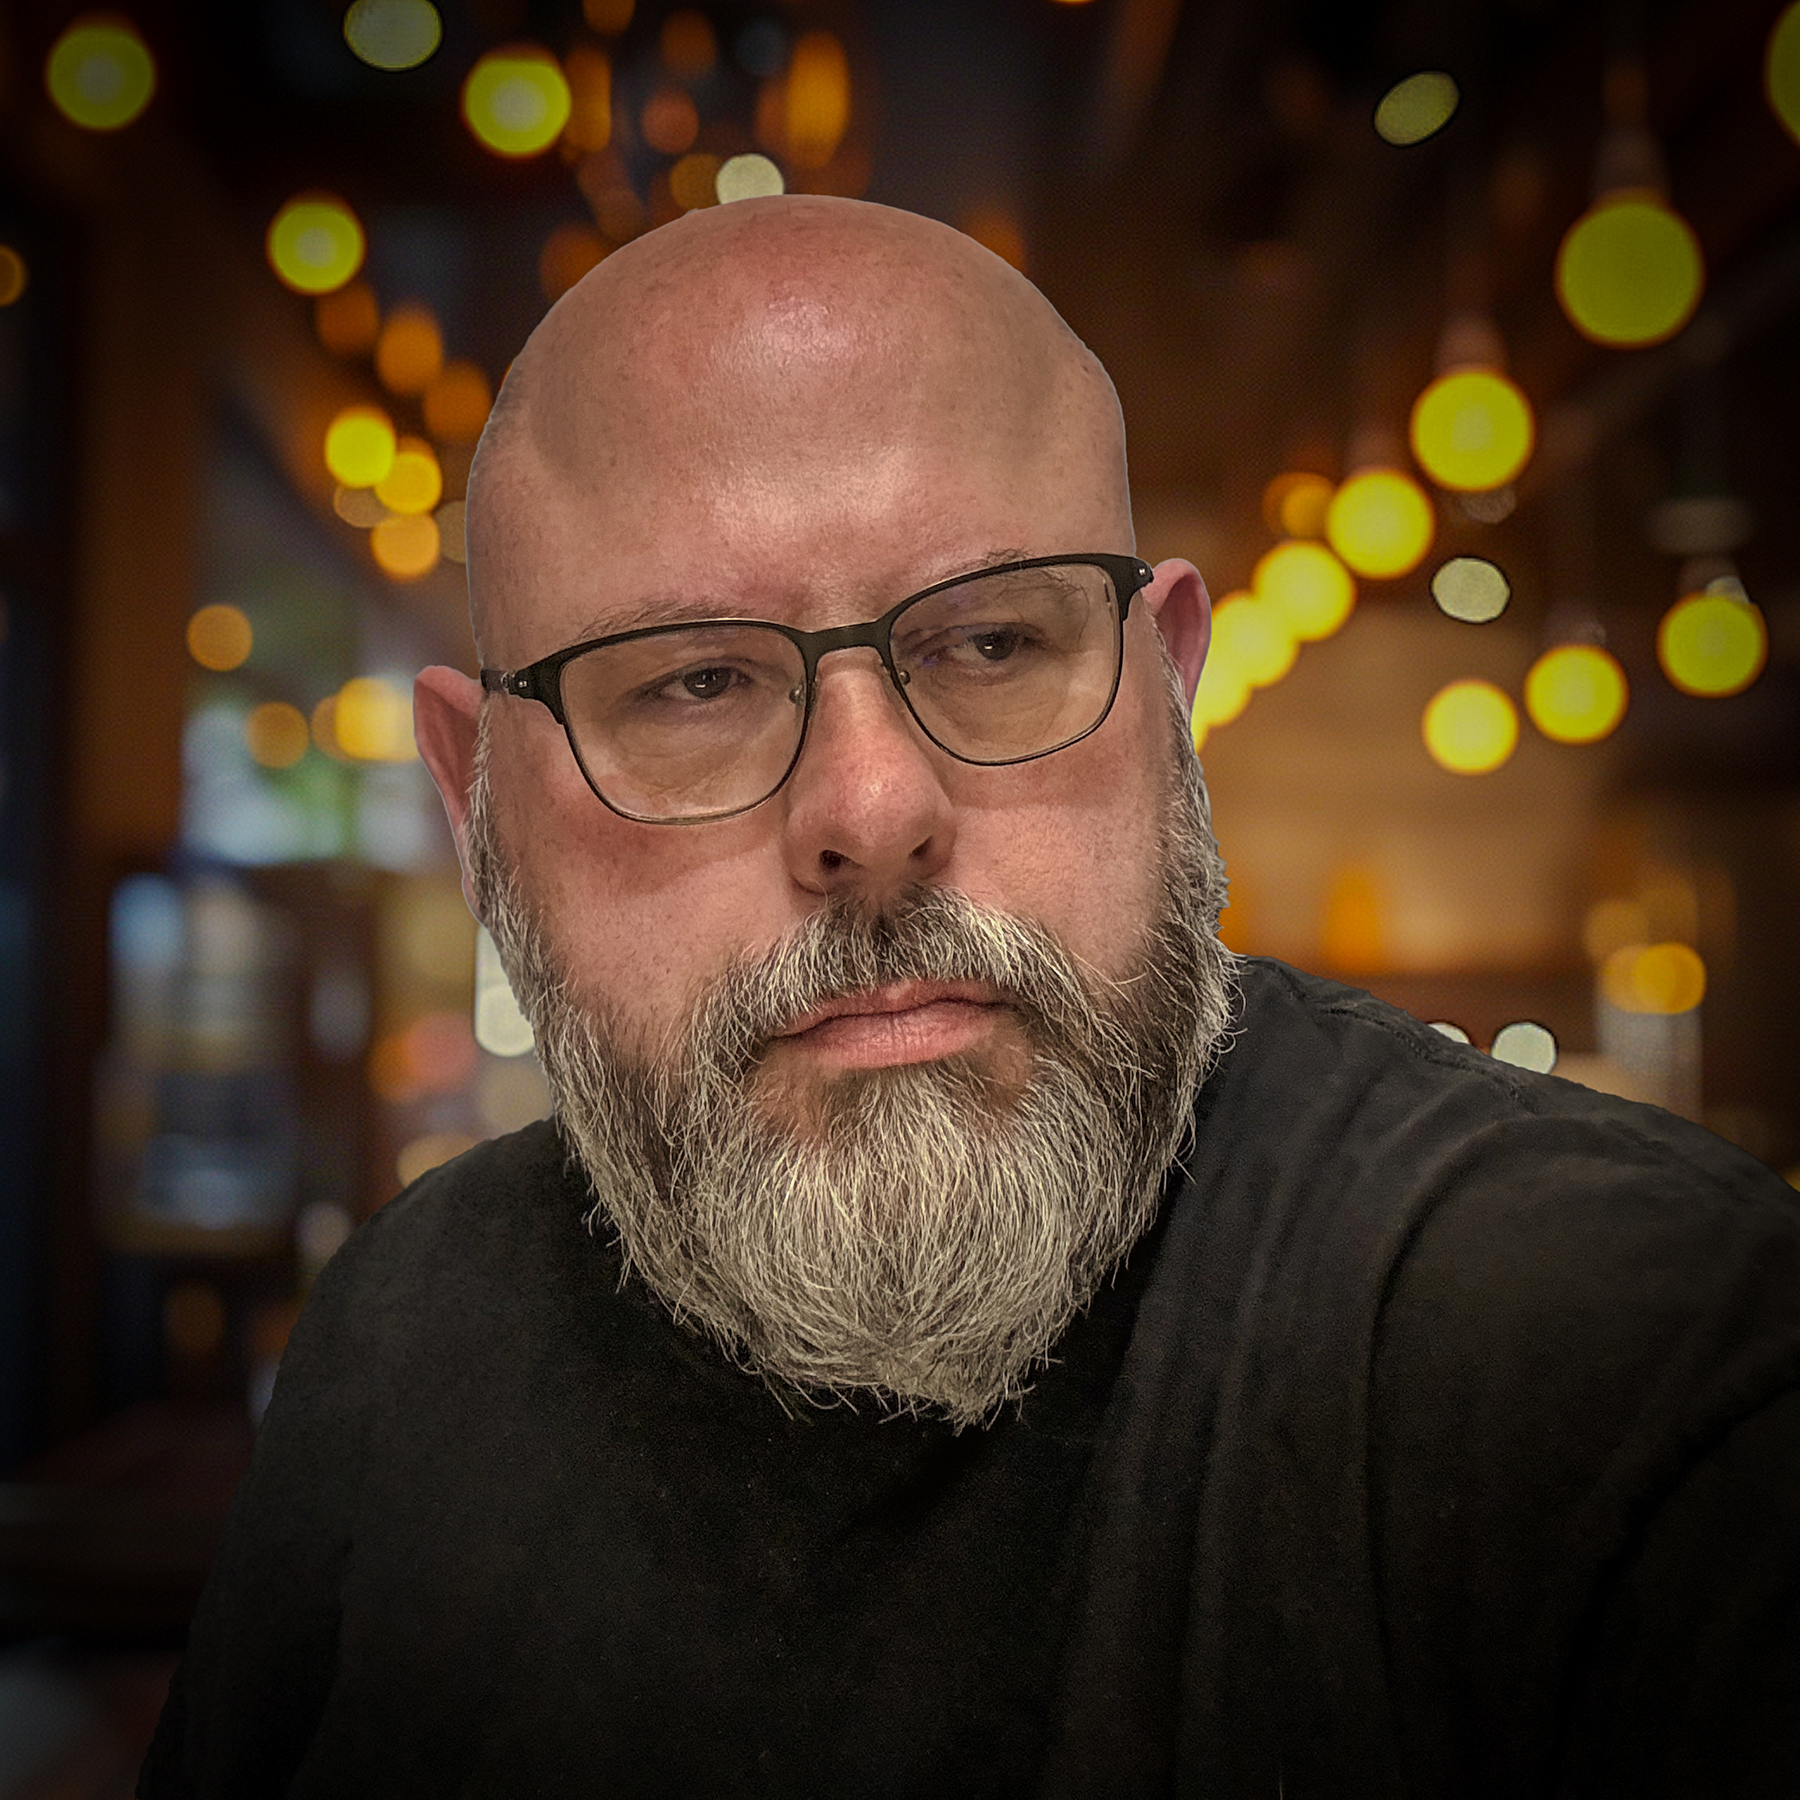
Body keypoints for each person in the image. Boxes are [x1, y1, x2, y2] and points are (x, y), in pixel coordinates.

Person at [140, 196, 1800, 1799]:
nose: (871, 812)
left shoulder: (1633, 1366)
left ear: (1166, 685)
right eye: (694, 682)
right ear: (474, 788)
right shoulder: (400, 1358)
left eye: (995, 644)